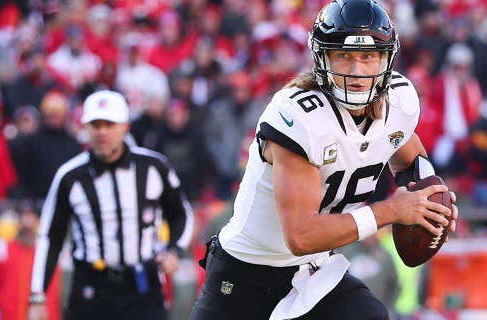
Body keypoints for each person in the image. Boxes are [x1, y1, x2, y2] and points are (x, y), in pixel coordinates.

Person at [189, 1, 459, 319]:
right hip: (244, 276)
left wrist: (430, 200)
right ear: (323, 57)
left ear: (386, 59)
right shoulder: (298, 116)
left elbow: (406, 153)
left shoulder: (398, 102)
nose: (357, 71)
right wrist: (392, 211)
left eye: (368, 56)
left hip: (314, 272)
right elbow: (301, 235)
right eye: (344, 55)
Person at [27, 90, 194, 320]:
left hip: (143, 283)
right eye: (96, 125)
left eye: (109, 124)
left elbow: (181, 213)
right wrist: (37, 295)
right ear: (86, 128)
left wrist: (174, 250)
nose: (102, 132)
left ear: (124, 126)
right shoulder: (70, 176)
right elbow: (50, 236)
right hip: (91, 286)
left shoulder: (154, 167)